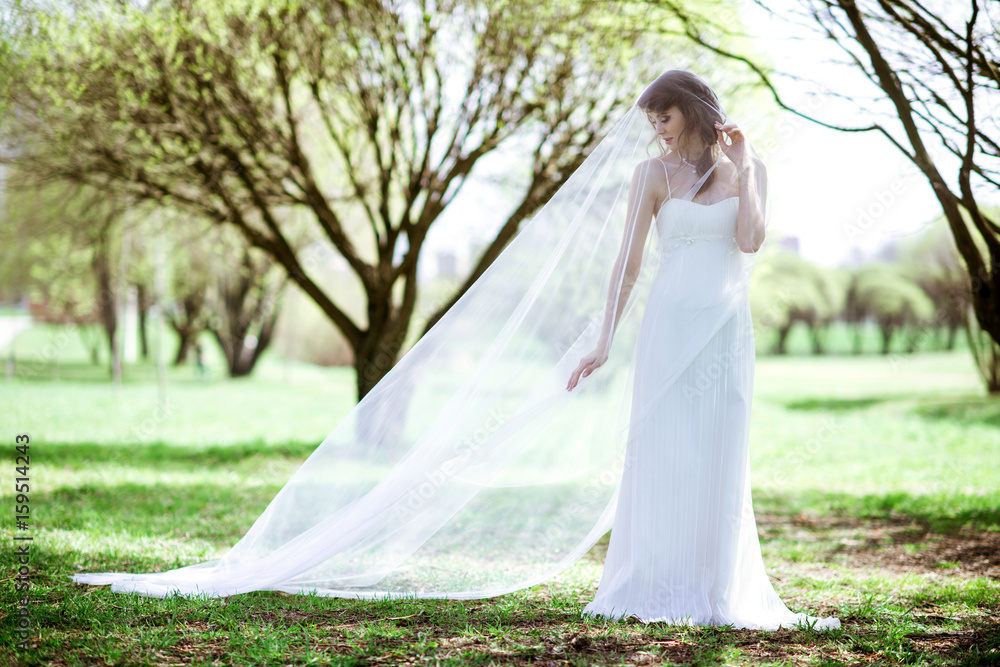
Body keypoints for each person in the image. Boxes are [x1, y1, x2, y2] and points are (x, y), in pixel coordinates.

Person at [70, 68, 840, 631]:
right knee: (665, 452)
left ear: (694, 111)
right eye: (653, 124)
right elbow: (626, 267)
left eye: (666, 120)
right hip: (668, 323)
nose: (659, 133)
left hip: (722, 333)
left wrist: (740, 169)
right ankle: (657, 585)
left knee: (717, 453)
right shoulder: (651, 175)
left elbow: (749, 241)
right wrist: (601, 337)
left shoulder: (748, 169)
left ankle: (714, 588)